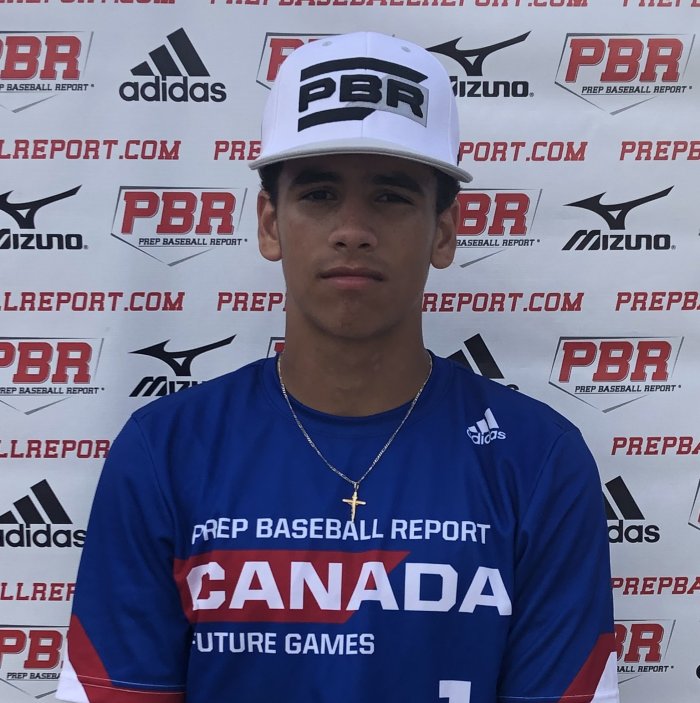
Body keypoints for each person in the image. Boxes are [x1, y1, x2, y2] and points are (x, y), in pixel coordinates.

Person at [57, 32, 619, 703]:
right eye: (320, 193)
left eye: (391, 196)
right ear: (271, 223)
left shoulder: (537, 460)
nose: (352, 229)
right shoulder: (166, 450)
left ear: (444, 231)